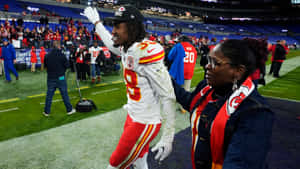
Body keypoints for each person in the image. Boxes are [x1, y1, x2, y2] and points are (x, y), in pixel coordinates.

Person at [82, 5, 176, 169]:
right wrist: (97, 23)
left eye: (118, 26)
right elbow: (112, 46)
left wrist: (168, 136)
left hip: (145, 121)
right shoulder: (129, 48)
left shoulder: (145, 52)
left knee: (115, 164)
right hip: (133, 114)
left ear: (131, 28)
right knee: (140, 162)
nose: (113, 31)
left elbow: (168, 95)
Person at [171, 39, 274, 169]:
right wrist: (164, 78)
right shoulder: (207, 88)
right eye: (208, 60)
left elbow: (240, 163)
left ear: (238, 71)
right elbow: (191, 102)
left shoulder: (255, 112)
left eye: (215, 63)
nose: (207, 66)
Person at [43, 40, 76, 116]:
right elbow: (67, 66)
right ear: (58, 46)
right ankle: (69, 110)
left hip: (51, 78)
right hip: (60, 77)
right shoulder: (62, 55)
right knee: (64, 94)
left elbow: (45, 67)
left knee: (49, 95)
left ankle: (46, 111)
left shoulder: (47, 55)